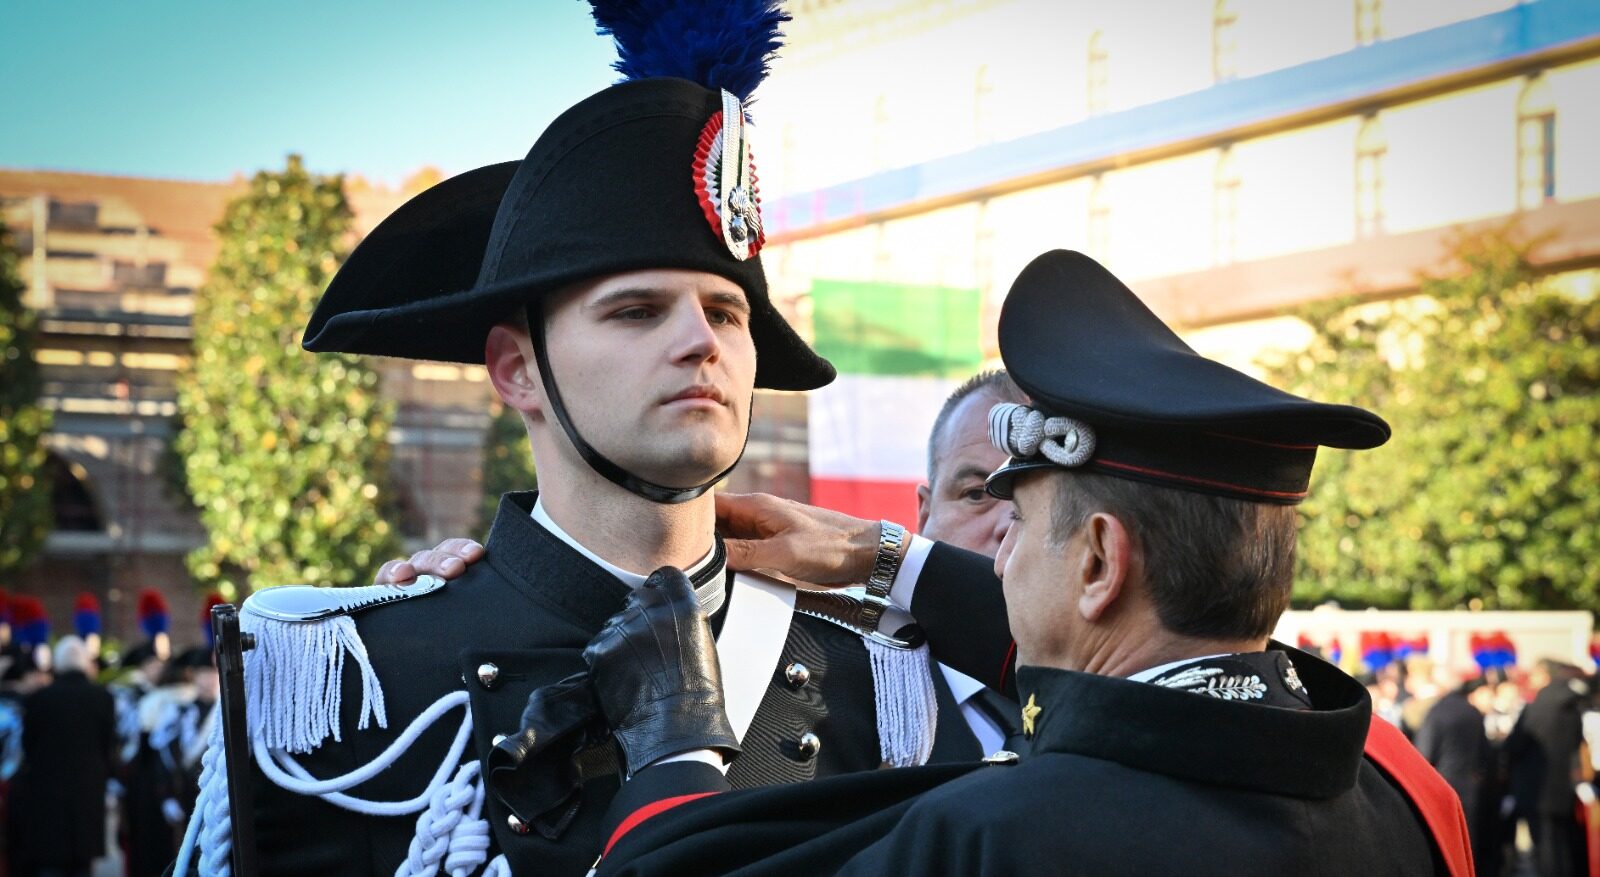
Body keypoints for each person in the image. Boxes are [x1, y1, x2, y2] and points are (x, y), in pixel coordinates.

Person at [174, 3, 950, 874]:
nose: (703, 341)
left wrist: (893, 562)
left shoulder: (881, 690)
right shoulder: (331, 683)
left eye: (727, 312)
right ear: (516, 370)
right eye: (637, 311)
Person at [538, 250, 1472, 875]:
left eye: (1014, 519)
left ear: (1101, 562)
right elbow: (1145, 699)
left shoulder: (997, 838)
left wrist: (672, 738)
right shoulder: (1400, 786)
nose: (993, 557)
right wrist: (883, 558)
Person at [7, 636, 118, 877]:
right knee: (83, 864)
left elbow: (28, 747)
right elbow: (108, 746)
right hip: (88, 794)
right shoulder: (103, 698)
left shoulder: (38, 699)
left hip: (47, 797)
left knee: (51, 864)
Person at [1508, 659, 1588, 876]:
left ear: (1544, 676)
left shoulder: (1539, 704)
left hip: (1536, 786)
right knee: (1562, 846)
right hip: (1563, 785)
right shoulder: (1572, 705)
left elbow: (1516, 744)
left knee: (1545, 849)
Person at [1416, 676, 1496, 870]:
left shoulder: (1436, 712)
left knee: (1446, 840)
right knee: (1469, 840)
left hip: (1442, 784)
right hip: (1471, 785)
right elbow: (1485, 754)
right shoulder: (1473, 713)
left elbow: (1424, 753)